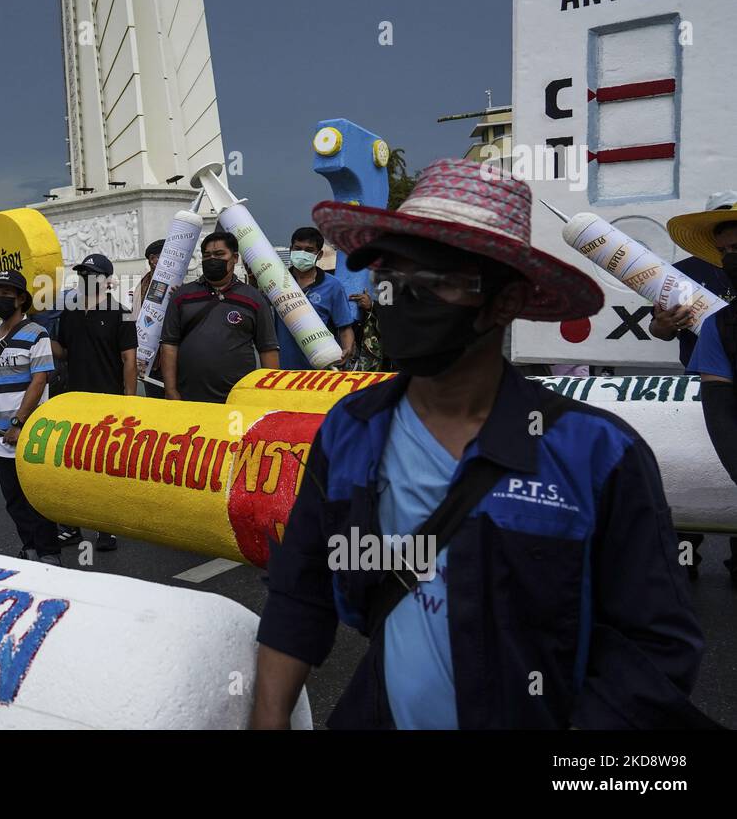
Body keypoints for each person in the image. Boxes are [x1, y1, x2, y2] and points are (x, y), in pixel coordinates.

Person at [250, 159, 705, 729]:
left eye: (437, 280)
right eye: (389, 277)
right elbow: (300, 595)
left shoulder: (596, 454)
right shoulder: (351, 429)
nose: (401, 299)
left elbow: (656, 653)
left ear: (505, 301)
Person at [50, 253, 138, 552]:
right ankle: (72, 526)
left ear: (106, 279)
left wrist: (129, 401)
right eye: (82, 273)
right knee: (73, 468)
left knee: (102, 468)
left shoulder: (121, 313)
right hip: (74, 400)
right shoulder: (68, 313)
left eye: (92, 273)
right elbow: (62, 352)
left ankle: (106, 528)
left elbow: (129, 360)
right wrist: (41, 335)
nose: (86, 278)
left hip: (107, 402)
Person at [0, 269, 62, 565]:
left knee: (35, 495)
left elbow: (39, 381)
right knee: (12, 498)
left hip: (31, 430)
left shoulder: (37, 333)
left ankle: (49, 552)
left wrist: (19, 422)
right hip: (0, 433)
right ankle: (30, 548)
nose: (0, 298)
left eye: (6, 294)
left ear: (21, 298)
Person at [672, 203, 737, 583]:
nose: (731, 258)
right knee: (698, 468)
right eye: (726, 251)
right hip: (703, 380)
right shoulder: (717, 323)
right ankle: (685, 557)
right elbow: (721, 408)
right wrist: (665, 323)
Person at [160, 232, 279, 402]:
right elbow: (169, 345)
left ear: (235, 257)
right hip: (189, 397)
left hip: (239, 397)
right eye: (207, 255)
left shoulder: (254, 298)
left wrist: (270, 394)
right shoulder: (182, 296)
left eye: (219, 254)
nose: (212, 260)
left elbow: (267, 348)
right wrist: (170, 390)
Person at [651, 190, 737, 366]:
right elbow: (657, 327)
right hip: (701, 376)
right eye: (722, 250)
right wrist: (664, 325)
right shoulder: (680, 274)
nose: (729, 255)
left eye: (735, 247)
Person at [276, 227, 355, 368]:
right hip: (283, 370)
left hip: (321, 370)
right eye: (297, 248)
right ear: (290, 250)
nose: (302, 254)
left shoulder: (332, 286)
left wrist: (347, 349)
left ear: (319, 254)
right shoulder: (276, 283)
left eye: (309, 250)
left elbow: (344, 326)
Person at [127, 239, 165, 396]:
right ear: (151, 260)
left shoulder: (180, 283)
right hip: (149, 353)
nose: (160, 261)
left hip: (171, 351)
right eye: (157, 257)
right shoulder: (141, 285)